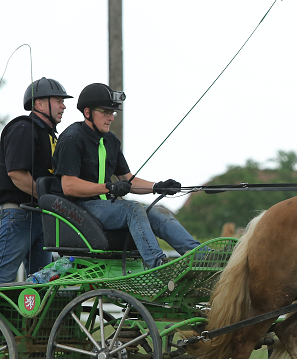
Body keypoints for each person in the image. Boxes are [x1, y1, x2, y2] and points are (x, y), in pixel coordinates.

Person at [51, 83, 200, 267]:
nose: (111, 118)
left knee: (158, 212)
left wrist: (158, 186)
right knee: (133, 209)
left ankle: (201, 256)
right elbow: (69, 186)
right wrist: (108, 187)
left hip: (104, 207)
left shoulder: (111, 141)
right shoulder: (72, 138)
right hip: (78, 209)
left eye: (113, 113)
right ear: (87, 112)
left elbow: (128, 179)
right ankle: (157, 264)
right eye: (105, 112)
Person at [0, 78, 73, 284]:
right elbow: (17, 174)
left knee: (42, 281)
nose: (64, 105)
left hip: (39, 214)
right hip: (18, 213)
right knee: (3, 278)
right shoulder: (24, 128)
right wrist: (49, 200)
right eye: (58, 100)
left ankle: (31, 317)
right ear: (39, 104)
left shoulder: (49, 135)